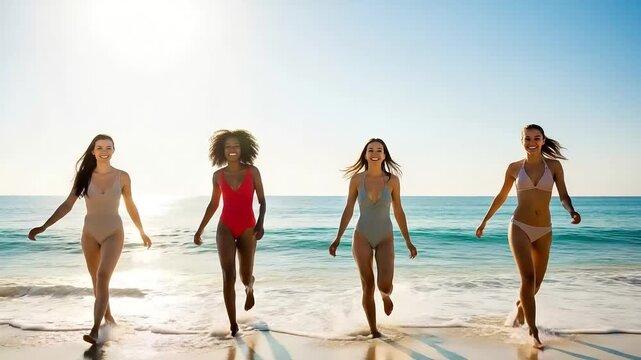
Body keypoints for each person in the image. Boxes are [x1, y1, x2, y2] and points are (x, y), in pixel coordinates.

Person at [28, 134, 152, 344]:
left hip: (114, 232)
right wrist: (44, 226)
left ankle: (95, 330)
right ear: (93, 151)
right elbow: (68, 205)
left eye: (109, 147)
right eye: (100, 147)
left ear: (114, 150)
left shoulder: (122, 177)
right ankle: (109, 319)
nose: (104, 151)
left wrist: (141, 231)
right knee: (97, 282)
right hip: (89, 234)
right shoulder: (84, 176)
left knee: (103, 276)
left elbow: (130, 205)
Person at [475, 124, 581, 349]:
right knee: (527, 279)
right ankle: (533, 332)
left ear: (543, 140)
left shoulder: (553, 166)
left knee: (536, 284)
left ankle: (520, 306)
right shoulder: (514, 168)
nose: (531, 142)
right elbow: (502, 196)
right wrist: (485, 220)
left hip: (544, 229)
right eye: (527, 138)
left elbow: (562, 194)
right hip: (519, 226)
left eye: (536, 138)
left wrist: (571, 210)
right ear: (521, 141)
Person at [329, 138, 417, 338]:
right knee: (368, 285)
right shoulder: (357, 180)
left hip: (385, 236)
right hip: (362, 236)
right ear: (366, 154)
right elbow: (349, 209)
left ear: (384, 155)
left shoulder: (392, 180)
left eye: (379, 150)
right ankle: (374, 331)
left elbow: (399, 211)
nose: (375, 152)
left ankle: (385, 296)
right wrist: (338, 238)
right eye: (371, 150)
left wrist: (408, 241)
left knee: (384, 285)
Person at [194, 129, 266, 337]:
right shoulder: (218, 176)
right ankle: (233, 324)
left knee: (244, 276)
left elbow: (262, 200)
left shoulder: (252, 172)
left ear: (242, 148)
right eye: (228, 147)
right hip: (225, 226)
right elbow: (214, 204)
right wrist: (200, 229)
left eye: (235, 146)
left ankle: (249, 287)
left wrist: (260, 223)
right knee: (228, 276)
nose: (232, 150)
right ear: (222, 151)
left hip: (247, 227)